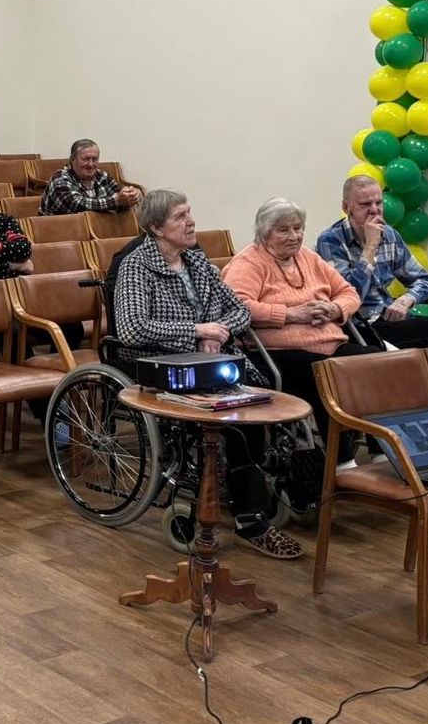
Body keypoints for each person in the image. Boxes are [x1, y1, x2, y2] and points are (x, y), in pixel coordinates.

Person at [113, 189, 296, 559]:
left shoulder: (196, 260)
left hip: (213, 359)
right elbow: (131, 329)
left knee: (262, 404)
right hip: (165, 364)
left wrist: (216, 333)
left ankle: (257, 490)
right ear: (156, 228)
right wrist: (196, 332)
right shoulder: (136, 266)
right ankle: (250, 520)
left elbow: (240, 310)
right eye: (180, 217)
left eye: (189, 213)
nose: (191, 221)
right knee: (237, 425)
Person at [223, 198, 377, 456]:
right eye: (283, 230)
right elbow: (238, 306)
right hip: (278, 352)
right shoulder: (248, 262)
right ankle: (341, 461)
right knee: (326, 374)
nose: (294, 236)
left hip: (330, 343)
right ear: (264, 233)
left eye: (298, 228)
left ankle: (381, 449)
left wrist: (334, 309)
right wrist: (291, 314)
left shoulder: (308, 257)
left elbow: (348, 292)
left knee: (377, 363)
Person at [316, 175, 428, 393]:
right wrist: (370, 248)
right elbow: (348, 296)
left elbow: (424, 279)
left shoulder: (390, 235)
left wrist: (406, 299)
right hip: (359, 327)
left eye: (379, 202)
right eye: (365, 205)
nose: (375, 210)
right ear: (346, 208)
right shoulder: (331, 240)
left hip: (389, 319)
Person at [40, 138, 140, 216]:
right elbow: (78, 205)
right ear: (73, 159)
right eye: (86, 159)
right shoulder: (60, 179)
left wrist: (129, 198)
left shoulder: (102, 177)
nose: (91, 164)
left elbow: (119, 201)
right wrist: (116, 200)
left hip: (96, 230)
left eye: (94, 159)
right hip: (59, 232)